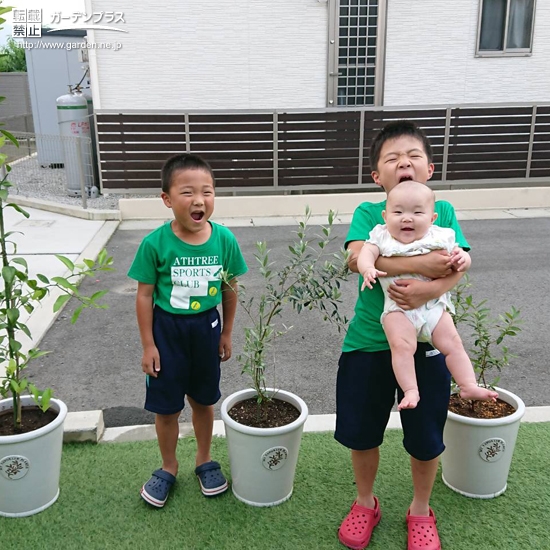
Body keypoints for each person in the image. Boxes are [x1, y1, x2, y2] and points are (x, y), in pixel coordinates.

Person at [336, 120, 469, 550]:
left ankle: (419, 510)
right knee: (361, 431)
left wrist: (430, 287)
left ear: (429, 169)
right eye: (392, 159)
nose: (403, 163)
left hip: (427, 342)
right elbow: (358, 259)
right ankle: (364, 502)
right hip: (368, 341)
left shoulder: (441, 211)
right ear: (378, 177)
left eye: (412, 156)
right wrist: (422, 266)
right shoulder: (367, 214)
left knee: (426, 437)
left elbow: (457, 268)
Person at [128, 153, 248, 508]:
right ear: (167, 199)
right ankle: (168, 466)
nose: (199, 200)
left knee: (203, 400)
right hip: (168, 332)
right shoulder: (155, 244)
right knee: (166, 408)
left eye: (207, 192)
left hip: (206, 329)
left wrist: (226, 333)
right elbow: (144, 295)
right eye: (187, 192)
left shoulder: (224, 240)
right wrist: (148, 345)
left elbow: (230, 287)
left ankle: (204, 459)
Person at [357, 180, 498, 411]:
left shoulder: (440, 235)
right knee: (402, 347)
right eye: (398, 212)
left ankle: (468, 384)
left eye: (417, 212)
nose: (407, 218)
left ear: (432, 218)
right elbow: (366, 253)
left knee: (453, 344)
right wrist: (367, 268)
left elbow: (460, 256)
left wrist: (464, 259)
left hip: (434, 307)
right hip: (398, 309)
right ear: (385, 215)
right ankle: (411, 389)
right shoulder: (381, 235)